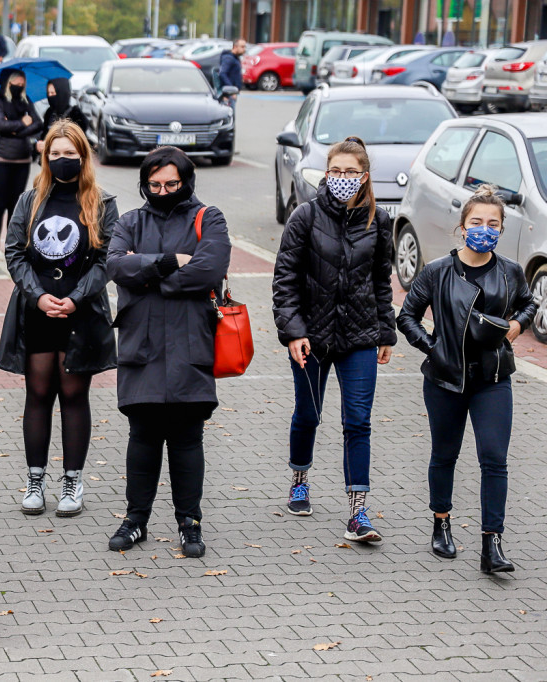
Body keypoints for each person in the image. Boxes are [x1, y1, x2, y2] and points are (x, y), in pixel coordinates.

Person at [397, 185, 535, 574]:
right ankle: (441, 523)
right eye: (476, 222)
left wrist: (516, 325)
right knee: (445, 454)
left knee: (494, 459)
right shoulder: (437, 271)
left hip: (493, 378)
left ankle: (492, 545)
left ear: (502, 228)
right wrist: (433, 347)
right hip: (445, 380)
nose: (484, 229)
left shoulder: (509, 271)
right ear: (462, 227)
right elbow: (406, 316)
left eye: (493, 224)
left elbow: (528, 303)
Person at [105, 146, 231, 559]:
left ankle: (189, 522)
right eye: (154, 184)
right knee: (142, 437)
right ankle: (135, 519)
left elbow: (210, 269)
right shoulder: (129, 221)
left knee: (186, 439)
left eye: (170, 184)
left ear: (186, 182)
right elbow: (116, 267)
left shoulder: (208, 218)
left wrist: (151, 277)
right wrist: (168, 262)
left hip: (190, 345)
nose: (162, 190)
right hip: (140, 345)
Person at [271, 136, 396, 544]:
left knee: (358, 422)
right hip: (312, 337)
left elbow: (381, 281)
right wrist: (293, 331)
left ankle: (358, 512)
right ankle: (300, 480)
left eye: (351, 172)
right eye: (336, 171)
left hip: (360, 334)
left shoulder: (377, 221)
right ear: (327, 174)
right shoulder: (304, 217)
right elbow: (285, 280)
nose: (343, 178)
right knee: (309, 414)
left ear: (364, 177)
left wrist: (386, 330)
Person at [0, 120, 117, 517]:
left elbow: (105, 260)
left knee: (73, 394)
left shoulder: (101, 202)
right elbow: (13, 253)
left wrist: (76, 299)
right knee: (38, 393)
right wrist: (39, 295)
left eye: (70, 153)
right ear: (45, 155)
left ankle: (72, 481)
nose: (63, 160)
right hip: (38, 312)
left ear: (83, 156)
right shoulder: (30, 200)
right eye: (56, 153)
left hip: (79, 315)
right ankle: (35, 480)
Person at [0, 69, 42, 263]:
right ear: (8, 82)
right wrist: (22, 123)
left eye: (22, 81)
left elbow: (38, 123)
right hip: (0, 159)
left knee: (15, 205)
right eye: (16, 81)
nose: (20, 84)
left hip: (22, 160)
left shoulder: (27, 101)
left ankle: (11, 248)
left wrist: (14, 129)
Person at [36, 78, 90, 155]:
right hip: (50, 161)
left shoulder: (75, 114)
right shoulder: (49, 113)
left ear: (61, 93)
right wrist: (40, 144)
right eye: (48, 93)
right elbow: (44, 134)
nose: (50, 96)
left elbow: (76, 141)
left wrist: (49, 144)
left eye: (53, 93)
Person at [218, 38, 246, 109]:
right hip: (228, 95)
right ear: (235, 47)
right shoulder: (229, 58)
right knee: (229, 117)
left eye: (244, 47)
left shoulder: (235, 58)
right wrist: (231, 90)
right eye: (242, 47)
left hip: (232, 93)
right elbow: (222, 73)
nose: (244, 49)